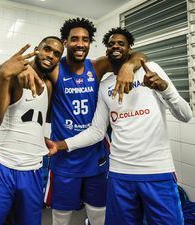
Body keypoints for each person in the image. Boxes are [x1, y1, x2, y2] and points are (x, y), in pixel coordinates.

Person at [46, 27, 192, 225]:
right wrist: (60, 145)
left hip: (157, 170)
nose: (115, 46)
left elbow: (185, 115)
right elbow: (97, 131)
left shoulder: (152, 70)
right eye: (111, 44)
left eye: (121, 43)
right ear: (107, 50)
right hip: (119, 173)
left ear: (129, 48)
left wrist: (164, 89)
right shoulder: (105, 85)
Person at [21, 18, 145, 225]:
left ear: (90, 43)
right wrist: (26, 68)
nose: (80, 44)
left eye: (85, 40)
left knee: (99, 213)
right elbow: (25, 67)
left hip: (96, 157)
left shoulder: (96, 67)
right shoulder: (56, 68)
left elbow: (138, 56)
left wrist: (129, 66)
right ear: (66, 42)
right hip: (63, 157)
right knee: (61, 216)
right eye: (75, 39)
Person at [0, 37, 64, 225]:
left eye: (56, 54)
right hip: (3, 167)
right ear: (37, 49)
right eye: (47, 49)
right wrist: (2, 75)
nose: (50, 55)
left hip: (33, 170)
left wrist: (40, 139)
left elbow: (36, 120)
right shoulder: (13, 78)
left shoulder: (49, 86)